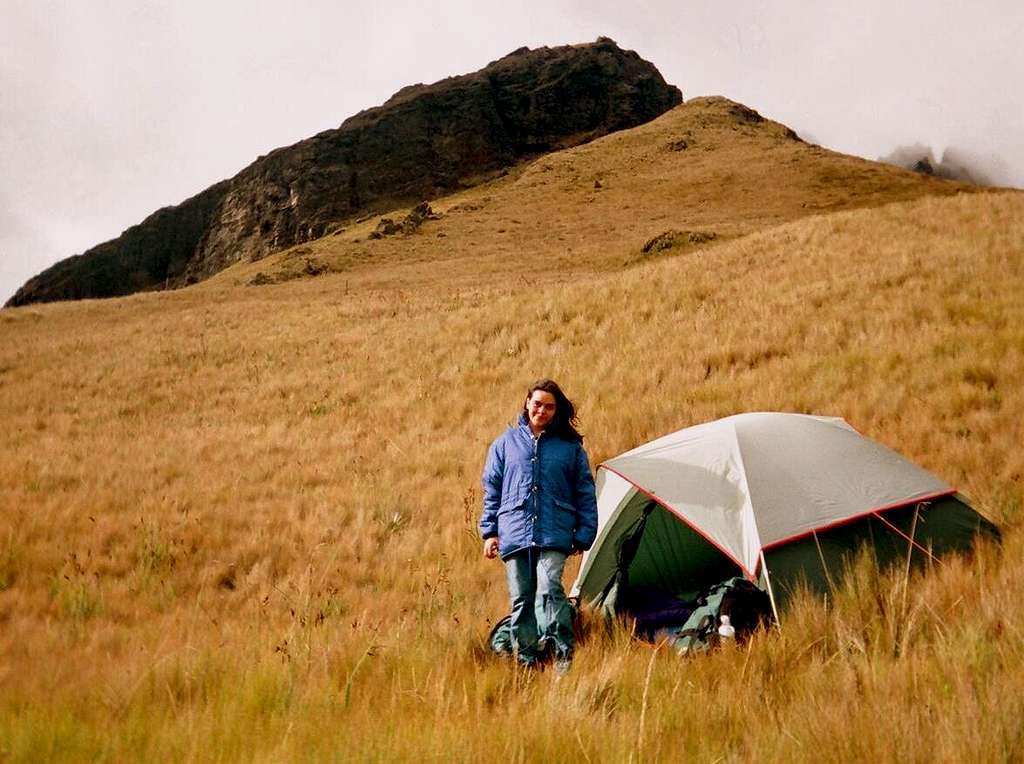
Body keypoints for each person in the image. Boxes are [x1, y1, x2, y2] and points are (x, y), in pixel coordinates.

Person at [480, 378, 598, 671]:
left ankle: (562, 656)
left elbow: (585, 491)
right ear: (527, 404)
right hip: (514, 531)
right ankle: (528, 659)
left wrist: (584, 534)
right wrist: (490, 532)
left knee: (549, 589)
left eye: (549, 407)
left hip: (555, 531)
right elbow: (492, 489)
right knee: (522, 598)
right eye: (537, 404)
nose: (541, 411)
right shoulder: (504, 444)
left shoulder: (570, 448)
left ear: (556, 411)